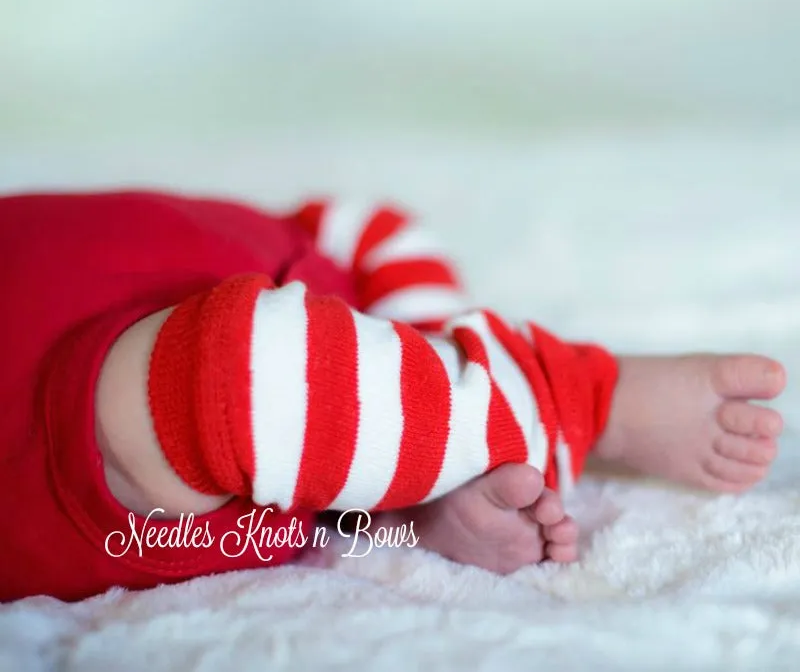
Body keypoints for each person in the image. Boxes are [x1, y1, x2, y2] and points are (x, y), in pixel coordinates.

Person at [0, 190, 786, 602]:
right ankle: (574, 398)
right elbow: (249, 385)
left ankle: (425, 438)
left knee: (369, 258)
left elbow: (373, 229)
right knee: (235, 390)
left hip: (274, 247)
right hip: (85, 409)